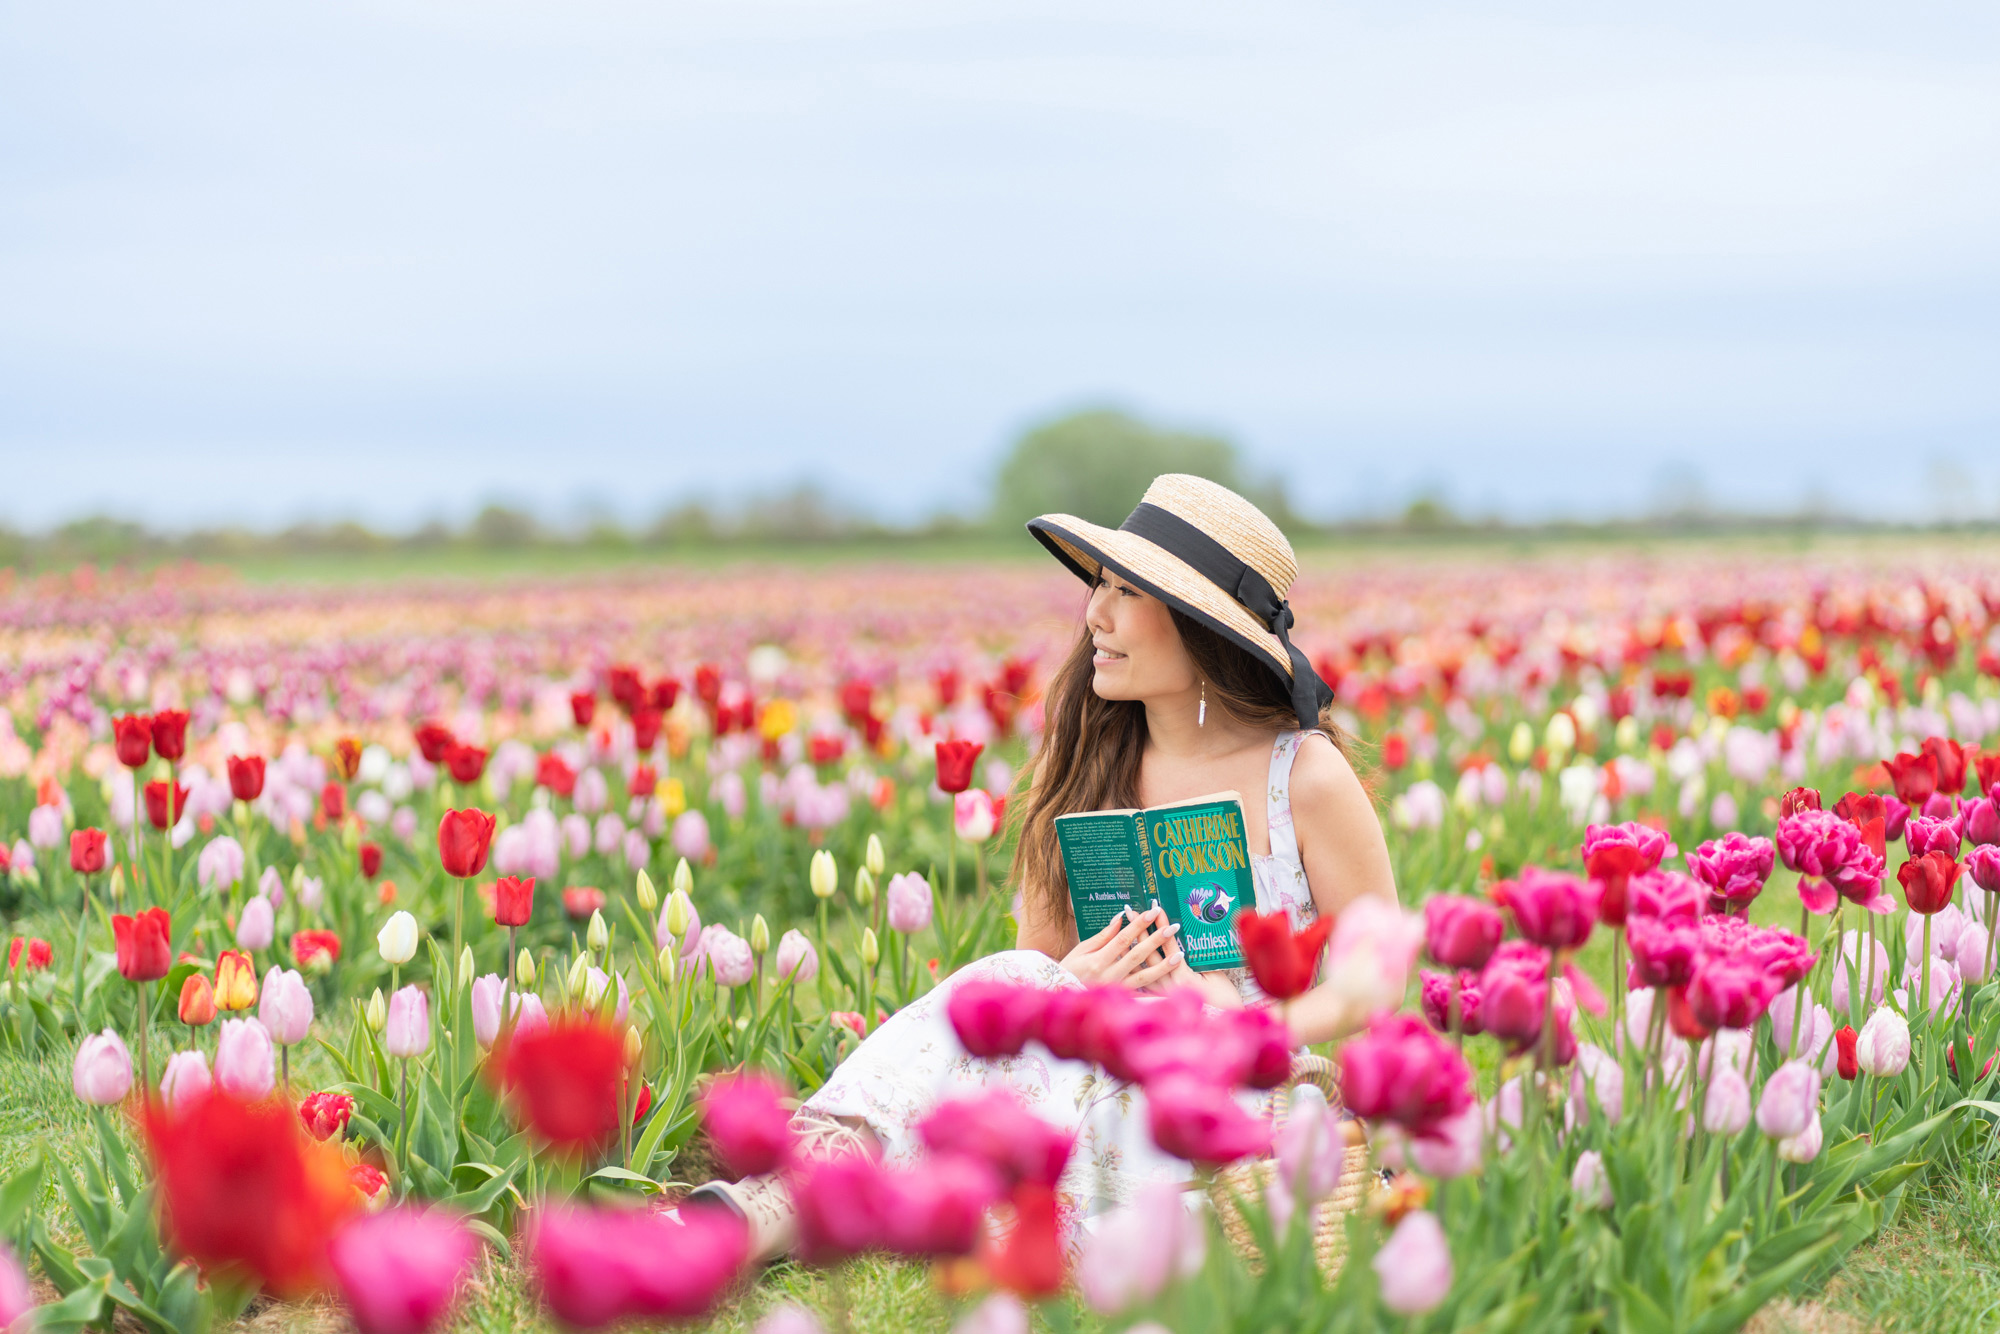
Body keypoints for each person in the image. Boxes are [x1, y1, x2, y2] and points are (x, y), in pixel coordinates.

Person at [694, 473, 1398, 1258]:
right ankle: (773, 1202)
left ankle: (811, 1201)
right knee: (1021, 981)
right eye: (1099, 584)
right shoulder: (1093, 760)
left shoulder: (1304, 776)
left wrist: (1234, 1017)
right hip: (1102, 1070)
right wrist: (1086, 983)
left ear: (1204, 629)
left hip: (1243, 1091)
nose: (1094, 614)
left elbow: (1379, 985)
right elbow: (1037, 962)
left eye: (1127, 593)